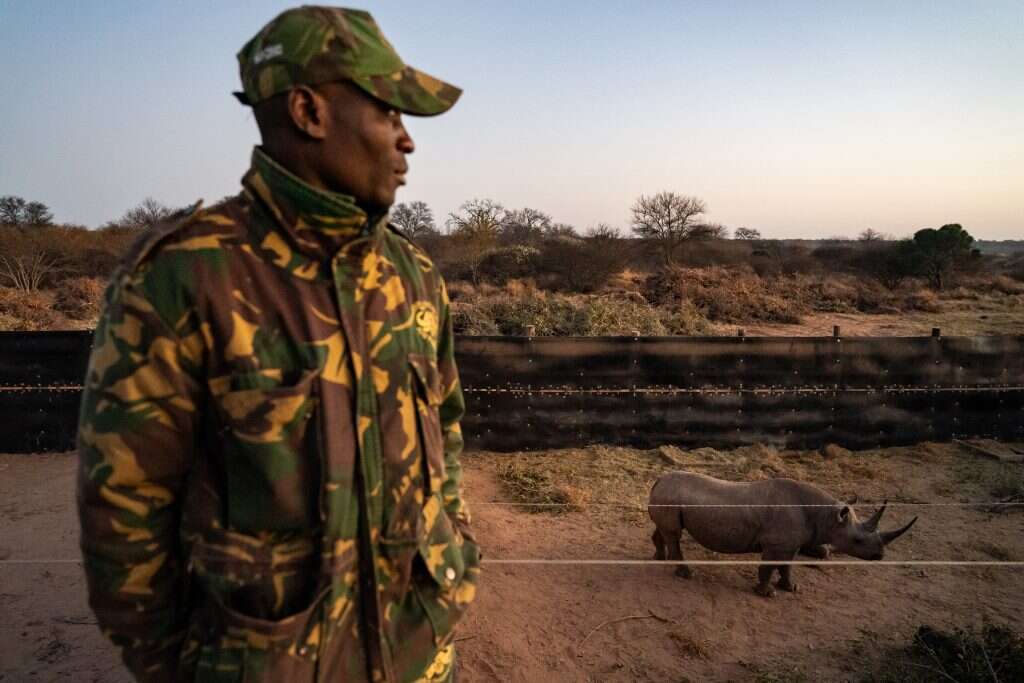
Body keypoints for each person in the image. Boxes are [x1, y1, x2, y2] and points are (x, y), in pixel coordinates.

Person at [76, 7, 479, 681]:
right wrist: (175, 667)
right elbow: (123, 511)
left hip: (419, 658)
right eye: (388, 111)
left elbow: (450, 428)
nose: (406, 140)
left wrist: (456, 557)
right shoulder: (182, 278)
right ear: (308, 111)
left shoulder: (415, 276)